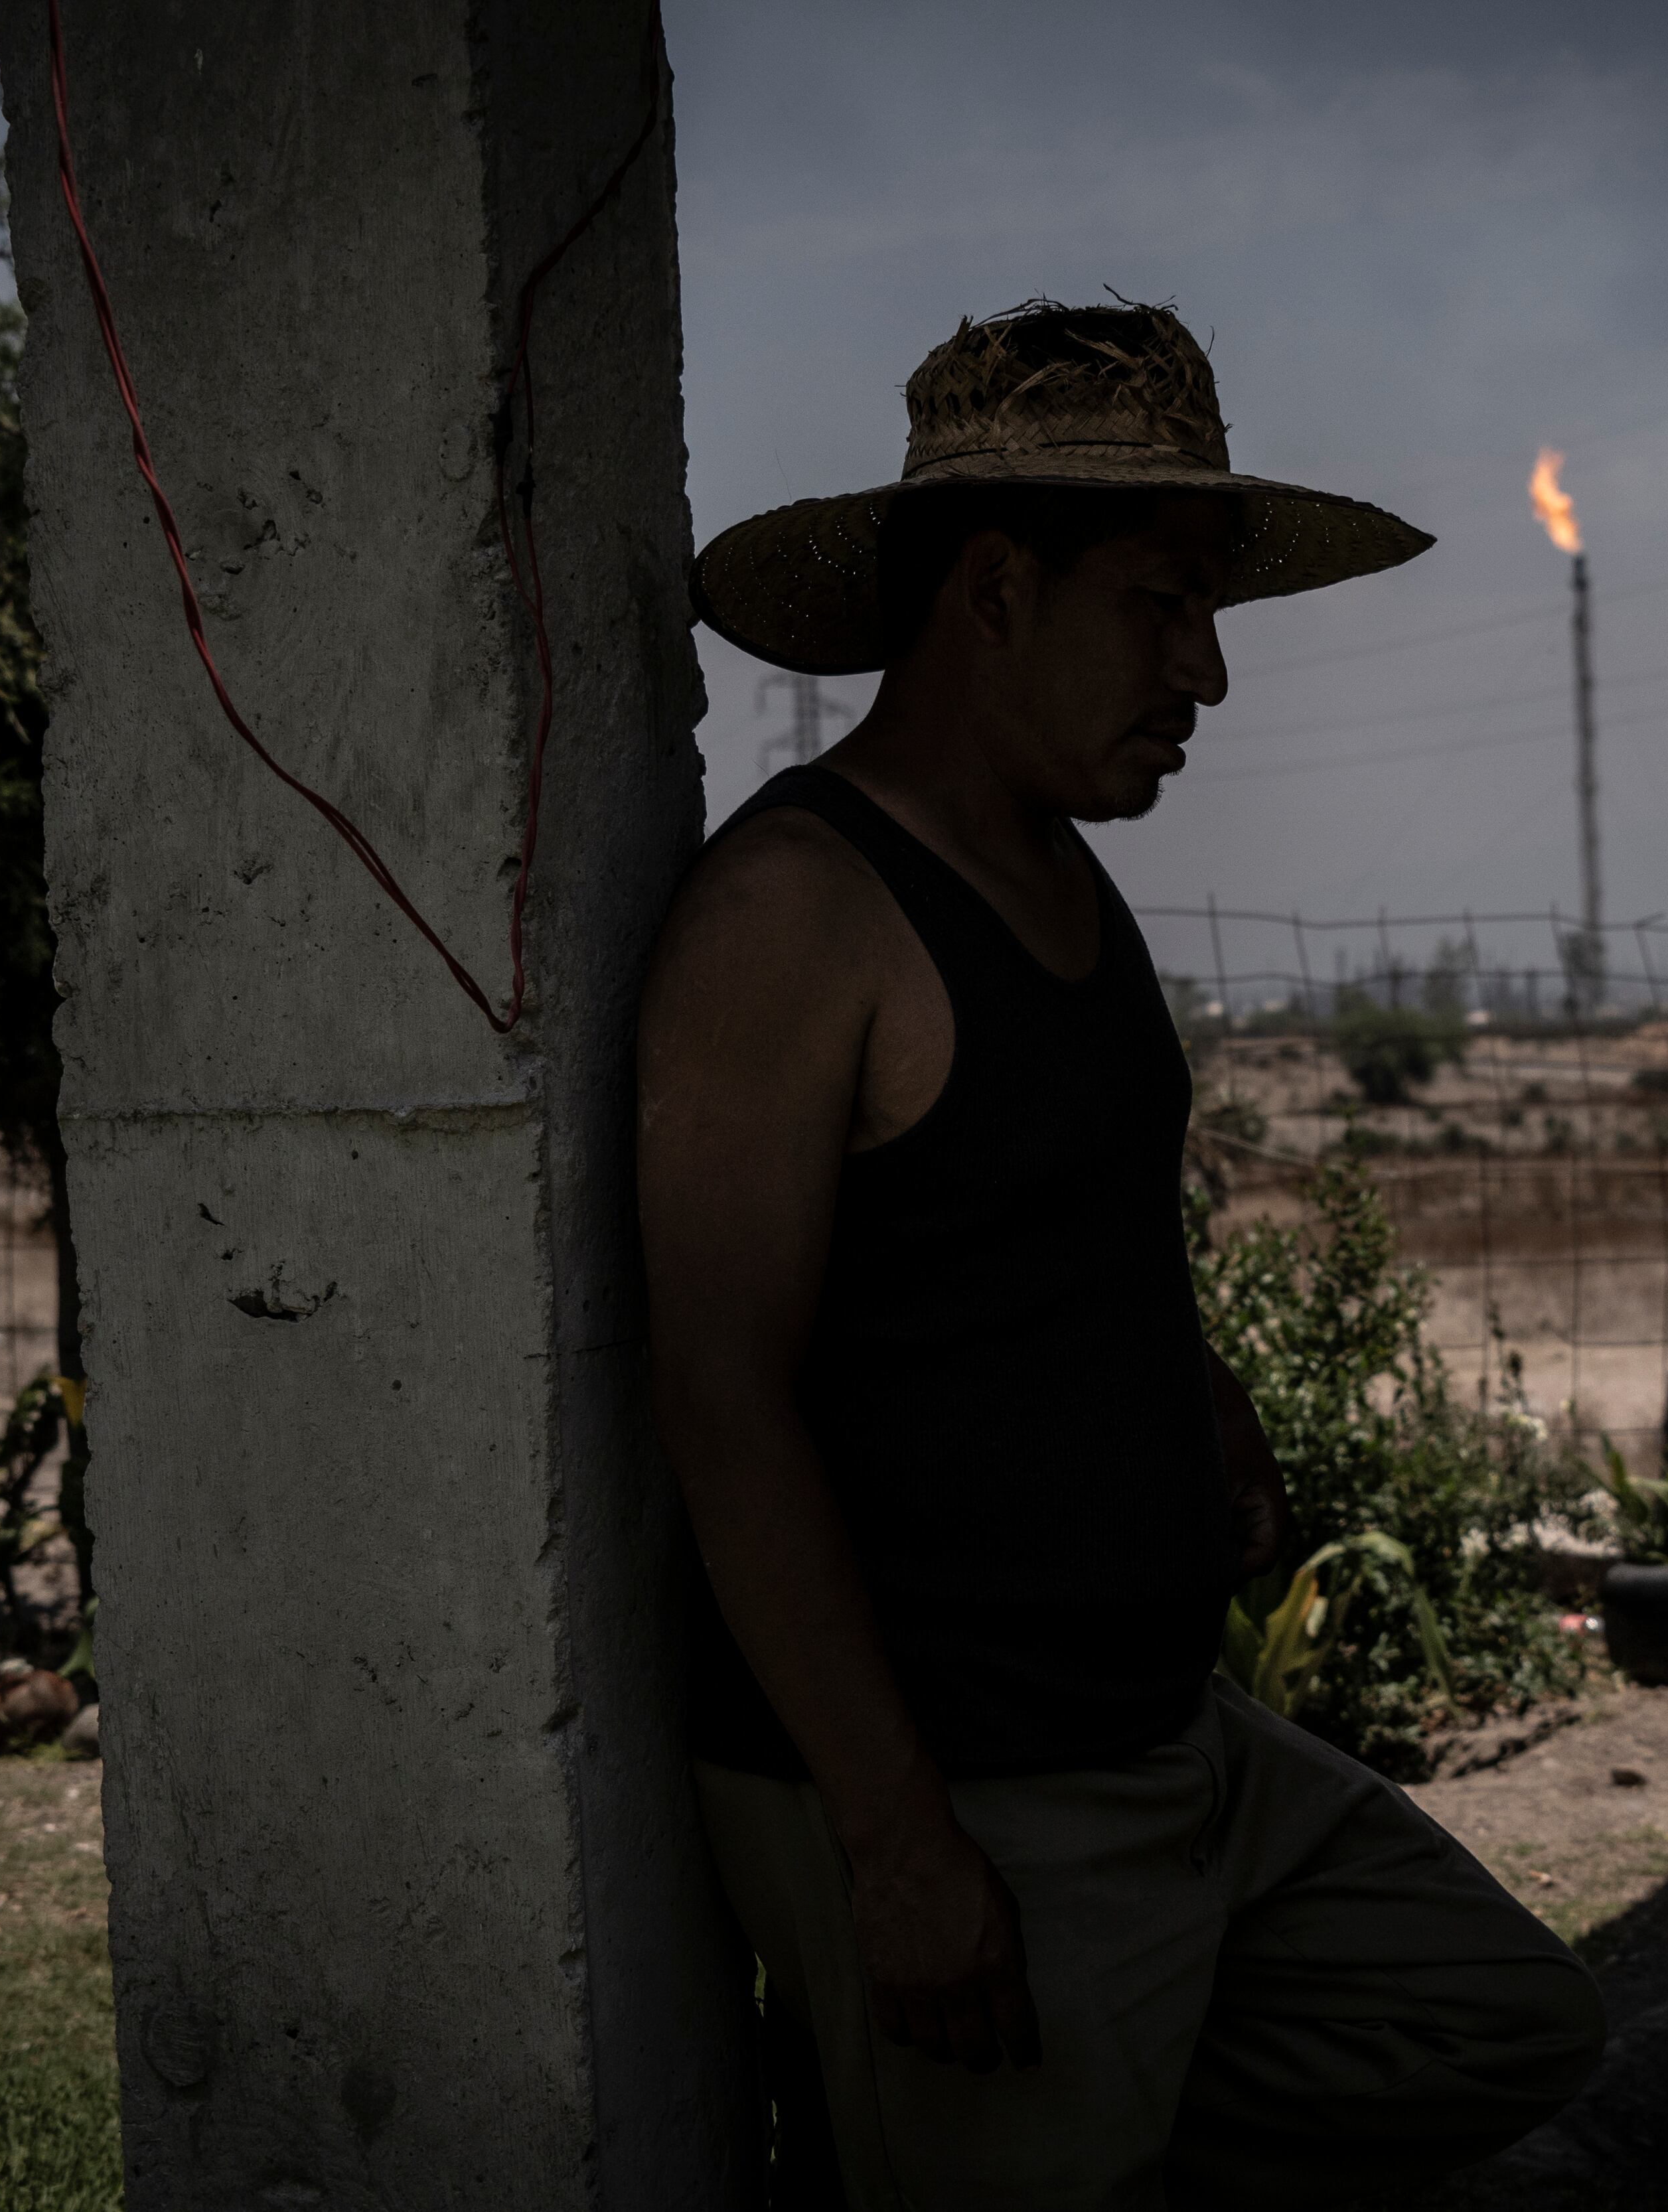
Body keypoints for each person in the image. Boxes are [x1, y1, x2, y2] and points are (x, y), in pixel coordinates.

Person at [637, 300, 1605, 2208]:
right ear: (997, 591)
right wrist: (902, 1845)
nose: (1209, 676)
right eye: (1165, 603)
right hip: (973, 1783)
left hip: (1167, 1745)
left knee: (1501, 2017)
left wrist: (1201, 1399)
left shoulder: (1061, 871)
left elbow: (1041, 1229)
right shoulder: (796, 914)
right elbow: (720, 1401)